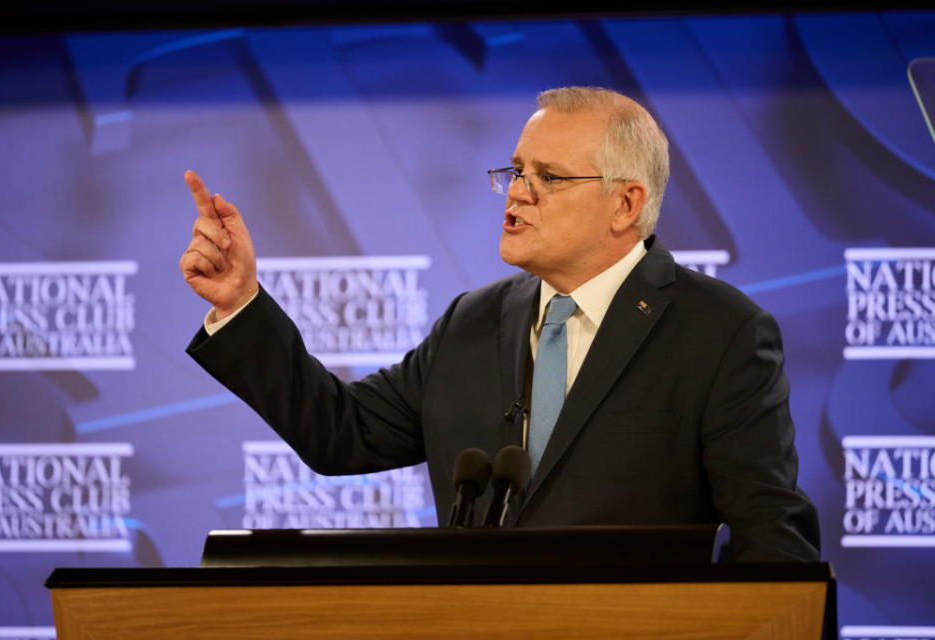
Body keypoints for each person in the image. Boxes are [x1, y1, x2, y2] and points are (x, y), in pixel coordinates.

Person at [180, 86, 820, 561]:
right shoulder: (473, 322)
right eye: (517, 170)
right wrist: (240, 302)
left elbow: (770, 536)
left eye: (548, 177)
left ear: (625, 204)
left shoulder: (721, 332)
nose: (517, 191)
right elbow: (338, 432)